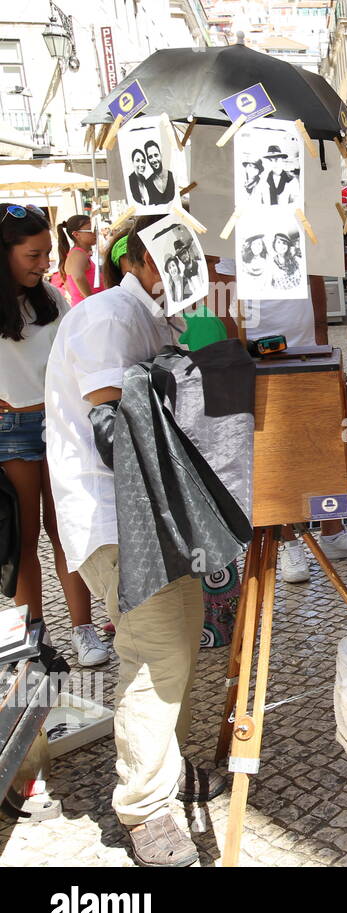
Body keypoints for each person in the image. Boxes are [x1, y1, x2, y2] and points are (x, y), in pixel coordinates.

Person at [46, 217, 228, 866]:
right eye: (180, 261)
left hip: (152, 514)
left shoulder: (153, 318)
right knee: (154, 654)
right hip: (113, 518)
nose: (192, 275)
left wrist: (202, 341)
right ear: (145, 262)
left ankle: (168, 771)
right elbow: (110, 420)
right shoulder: (112, 315)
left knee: (178, 641)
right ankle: (144, 809)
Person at [212, 256, 347, 582]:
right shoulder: (233, 234)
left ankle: (333, 531)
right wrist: (239, 349)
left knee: (324, 445)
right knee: (273, 454)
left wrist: (321, 340)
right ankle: (289, 542)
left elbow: (314, 279)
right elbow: (223, 292)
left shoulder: (300, 225)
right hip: (260, 352)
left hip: (307, 349)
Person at [0, 203, 105, 666]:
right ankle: (33, 639)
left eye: (46, 254)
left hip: (60, 422)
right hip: (11, 431)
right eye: (33, 255)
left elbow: (74, 353)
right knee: (24, 540)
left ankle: (84, 630)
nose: (45, 264)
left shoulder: (50, 297)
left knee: (67, 531)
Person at [54, 214, 102, 305]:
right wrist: (91, 301)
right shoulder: (78, 254)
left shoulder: (80, 253)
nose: (95, 232)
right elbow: (78, 277)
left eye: (96, 229)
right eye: (91, 230)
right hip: (88, 310)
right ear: (76, 234)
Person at [144, 140, 175, 206]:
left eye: (156, 155)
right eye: (150, 157)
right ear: (148, 160)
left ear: (161, 155)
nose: (154, 160)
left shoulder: (172, 175)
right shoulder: (147, 183)